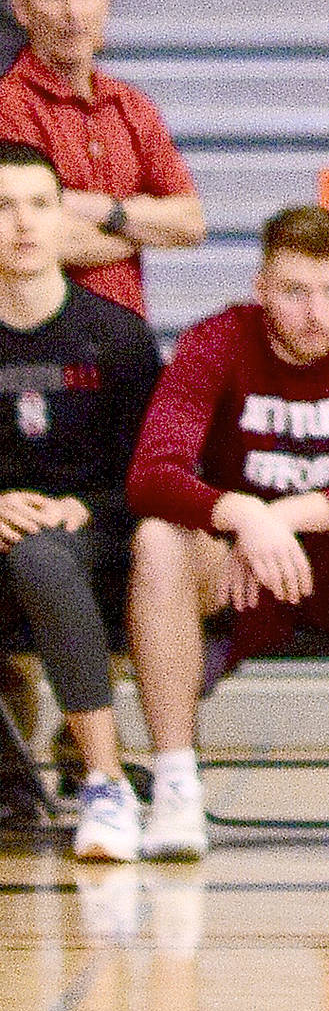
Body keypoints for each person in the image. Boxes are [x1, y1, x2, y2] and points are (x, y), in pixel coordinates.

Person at [125, 207, 329, 858]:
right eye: (295, 292)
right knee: (157, 539)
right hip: (237, 568)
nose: (316, 312)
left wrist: (282, 515)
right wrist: (241, 515)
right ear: (261, 288)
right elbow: (151, 474)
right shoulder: (216, 340)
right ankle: (177, 790)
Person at [0, 142, 159, 864]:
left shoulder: (117, 337)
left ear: (64, 219)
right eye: (2, 207)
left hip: (97, 540)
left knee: (43, 557)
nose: (22, 224)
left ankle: (103, 782)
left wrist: (86, 510)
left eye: (38, 204)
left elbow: (155, 477)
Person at [0, 0, 205, 319]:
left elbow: (191, 223)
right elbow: (36, 242)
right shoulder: (8, 106)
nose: (74, 13)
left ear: (106, 2)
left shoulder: (132, 104)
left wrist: (107, 211)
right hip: (41, 342)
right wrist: (140, 226)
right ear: (22, 10)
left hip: (127, 340)